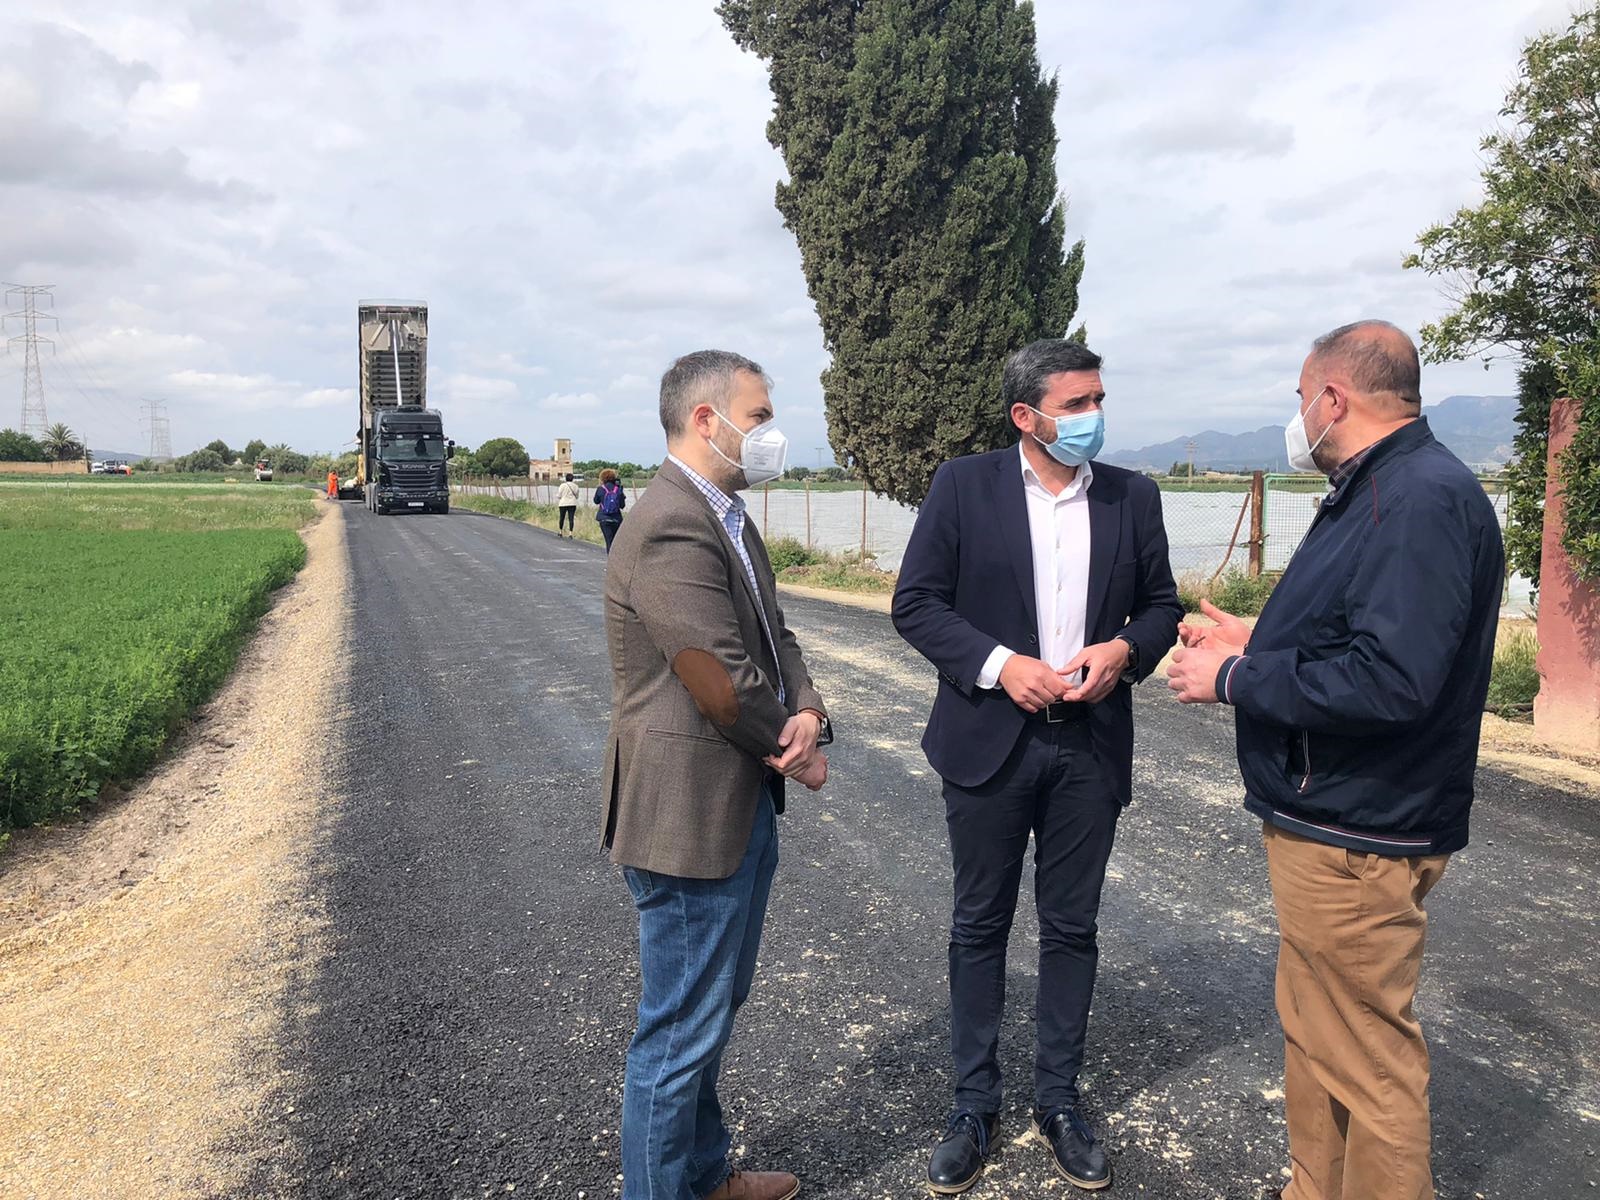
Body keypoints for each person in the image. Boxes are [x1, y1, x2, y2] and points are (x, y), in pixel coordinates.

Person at [1167, 321, 1504, 1200]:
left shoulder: (1416, 500)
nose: (1298, 417)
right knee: (1320, 1038)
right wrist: (1261, 636)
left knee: (1369, 1063)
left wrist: (1237, 676)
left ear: (1333, 399)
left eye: (1298, 398)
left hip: (1361, 827)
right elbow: (1357, 634)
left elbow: (1392, 682)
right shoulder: (1377, 488)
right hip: (1334, 819)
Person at [892, 339, 1182, 1194]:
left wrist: (1126, 650)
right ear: (1027, 416)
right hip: (988, 738)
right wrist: (997, 664)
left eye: (1099, 400)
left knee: (1072, 927)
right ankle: (971, 1105)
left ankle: (1059, 1100)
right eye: (1078, 403)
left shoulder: (1134, 495)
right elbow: (916, 604)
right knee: (978, 924)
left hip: (1088, 746)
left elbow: (1161, 604)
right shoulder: (961, 486)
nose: (1094, 416)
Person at [602, 349, 833, 1200]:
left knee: (706, 1015)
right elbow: (719, 681)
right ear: (708, 420)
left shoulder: (727, 513)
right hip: (688, 815)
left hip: (737, 807)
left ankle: (703, 1177)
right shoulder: (670, 521)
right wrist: (796, 750)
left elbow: (778, 640)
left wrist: (813, 712)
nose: (769, 433)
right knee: (676, 1037)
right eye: (760, 415)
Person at [595, 468, 626, 552]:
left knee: (609, 541)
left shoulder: (600, 489)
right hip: (616, 519)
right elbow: (622, 505)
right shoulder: (618, 489)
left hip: (604, 518)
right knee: (615, 542)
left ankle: (610, 562)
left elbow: (596, 501)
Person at [556, 472, 579, 537]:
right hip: (572, 503)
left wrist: (558, 496)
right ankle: (570, 533)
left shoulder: (562, 485)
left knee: (562, 517)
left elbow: (559, 495)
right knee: (571, 518)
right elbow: (577, 496)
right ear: (572, 479)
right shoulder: (576, 486)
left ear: (565, 479)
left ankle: (560, 531)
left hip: (563, 503)